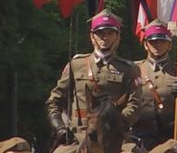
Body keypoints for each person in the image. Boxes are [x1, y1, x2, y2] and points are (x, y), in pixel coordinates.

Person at [46, 9, 141, 145]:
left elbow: (135, 104)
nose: (104, 37)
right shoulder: (76, 64)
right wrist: (59, 127)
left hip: (114, 136)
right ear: (92, 37)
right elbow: (55, 100)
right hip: (77, 136)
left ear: (118, 37)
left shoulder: (129, 69)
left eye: (110, 33)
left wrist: (116, 122)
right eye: (100, 33)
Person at [131, 19, 177, 150]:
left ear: (170, 45)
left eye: (162, 41)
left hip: (171, 136)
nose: (157, 45)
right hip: (138, 136)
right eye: (153, 42)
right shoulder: (133, 70)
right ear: (146, 44)